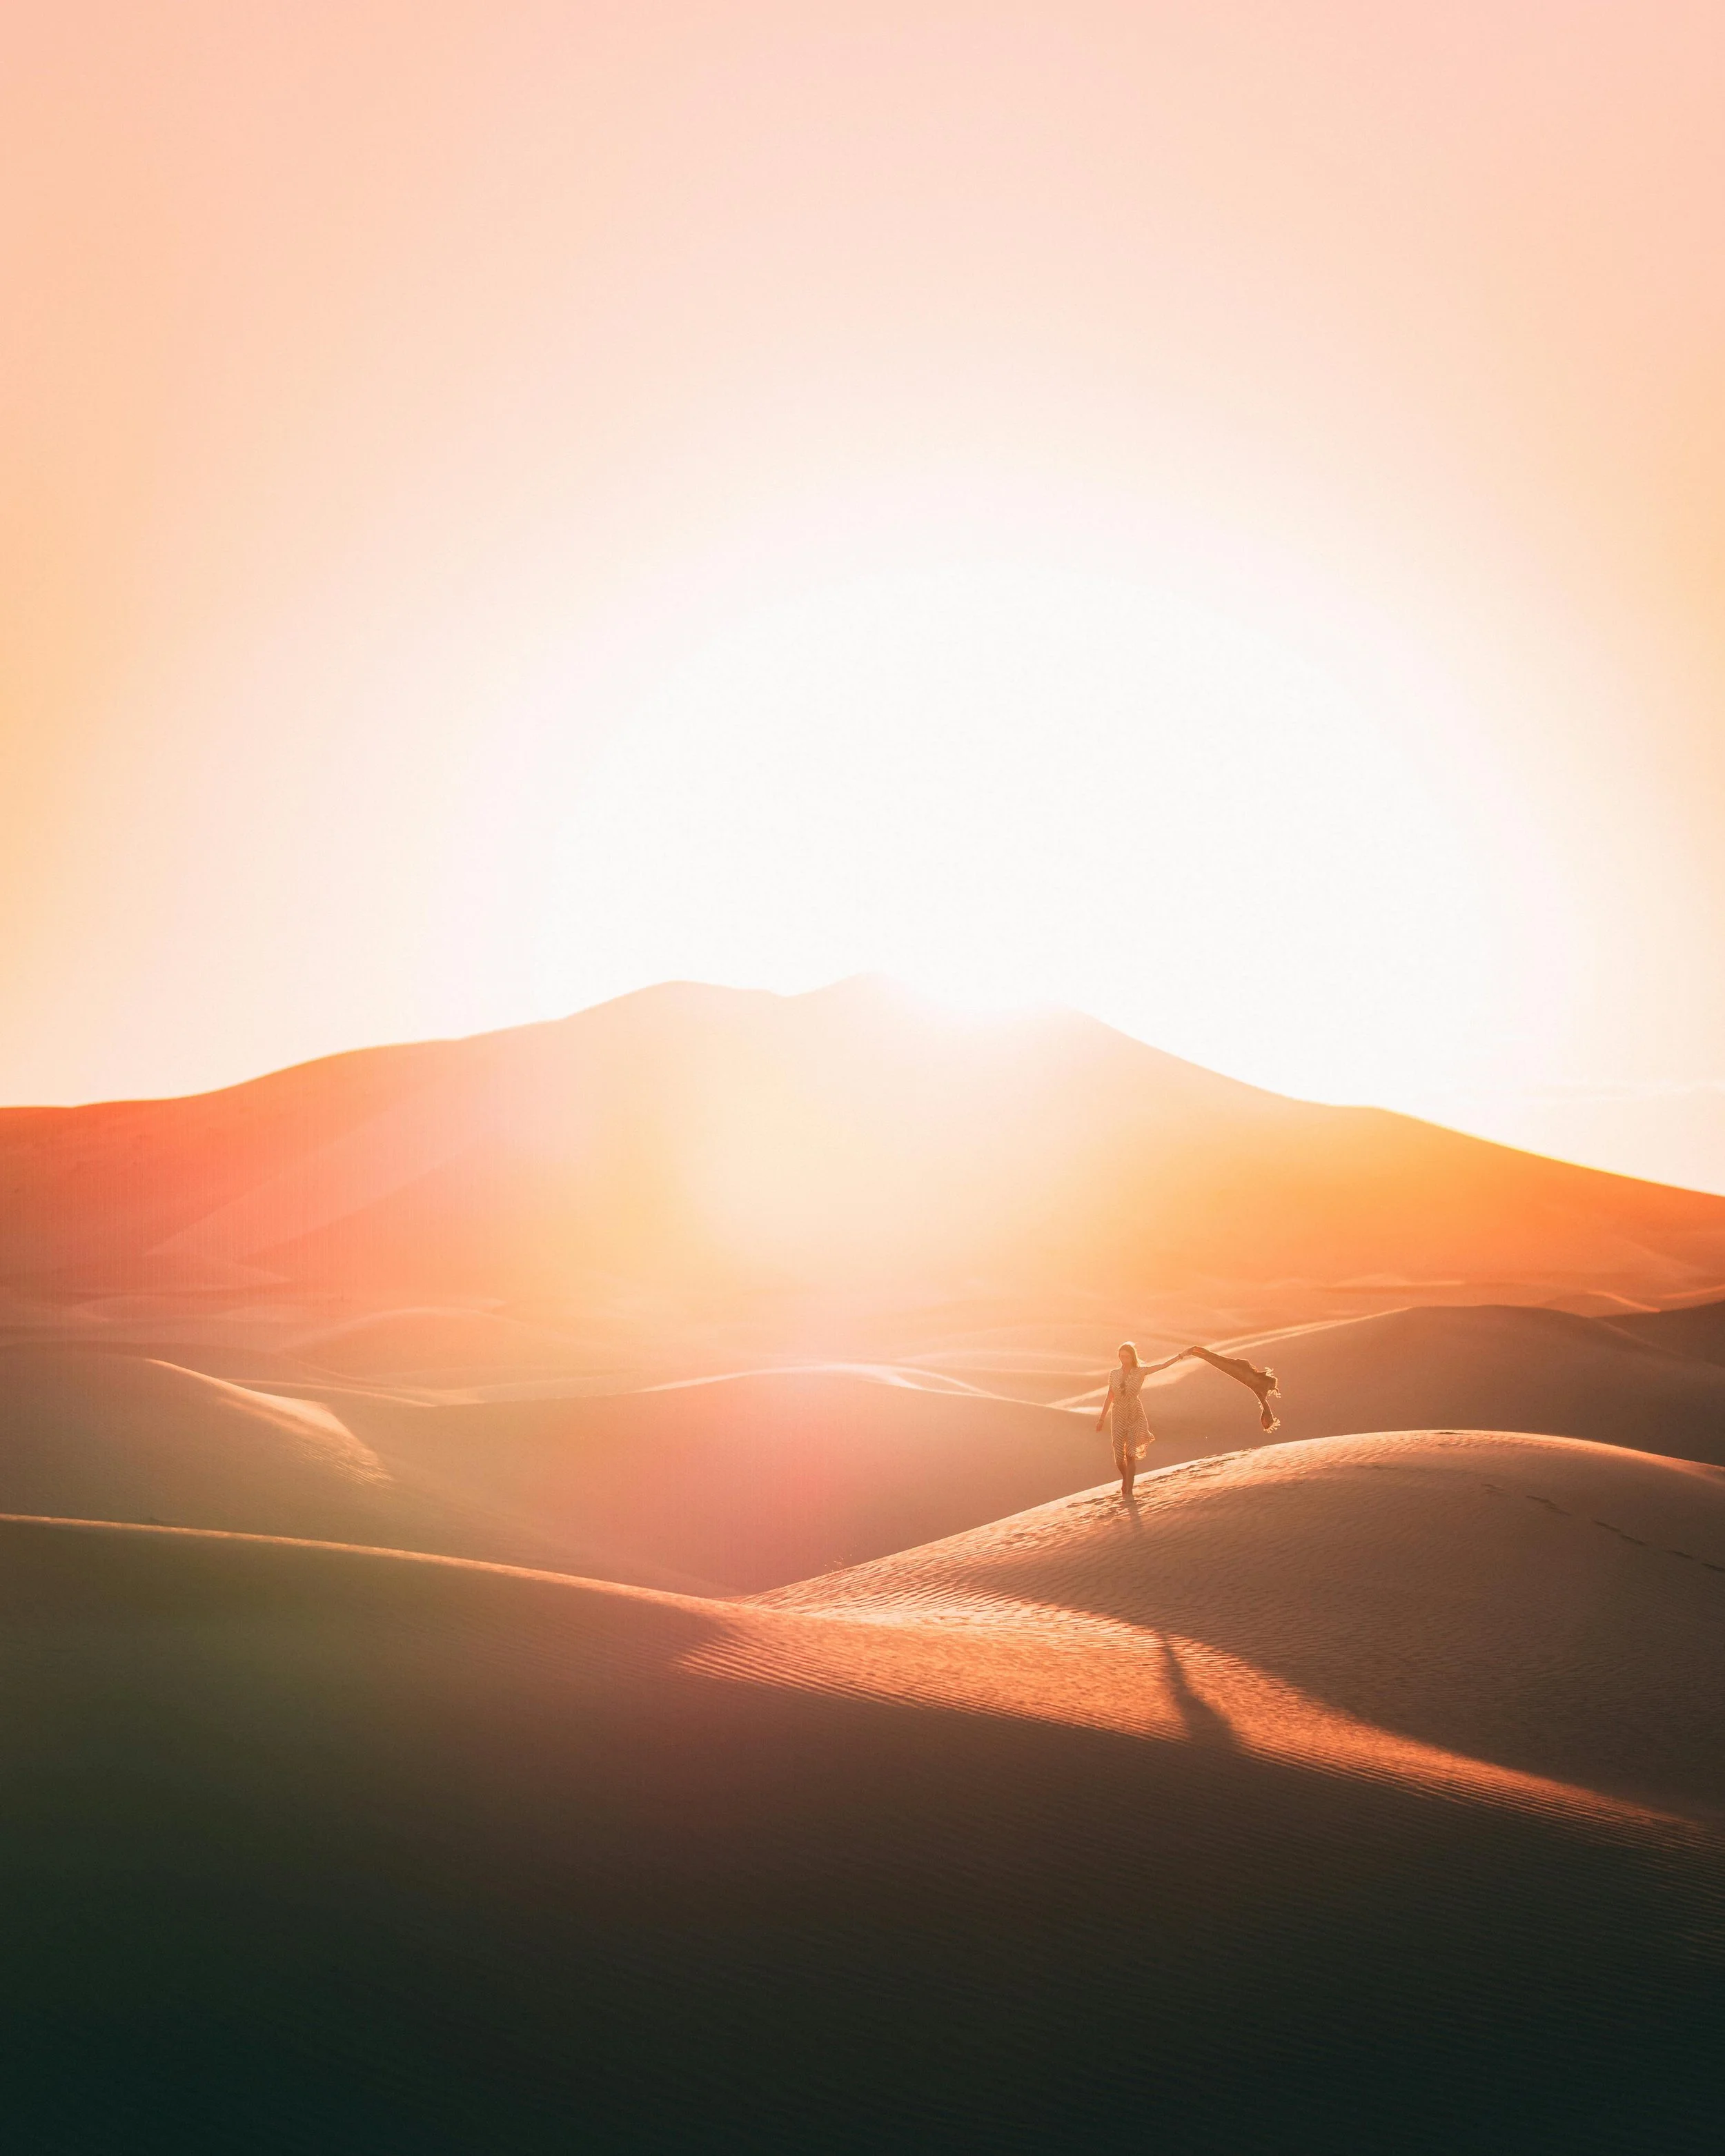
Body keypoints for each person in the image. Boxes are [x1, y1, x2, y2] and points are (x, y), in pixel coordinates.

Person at [1096, 1341, 1154, 1499]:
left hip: (1134, 1413)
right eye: (1121, 1356)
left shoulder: (1139, 1372)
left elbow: (1161, 1366)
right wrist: (1101, 1419)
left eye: (1127, 1356)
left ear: (1132, 1357)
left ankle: (1129, 1487)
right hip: (1118, 1414)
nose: (1124, 1359)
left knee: (1130, 1454)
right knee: (1118, 1456)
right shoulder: (1114, 1374)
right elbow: (1110, 1396)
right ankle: (1125, 1478)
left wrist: (1180, 1356)